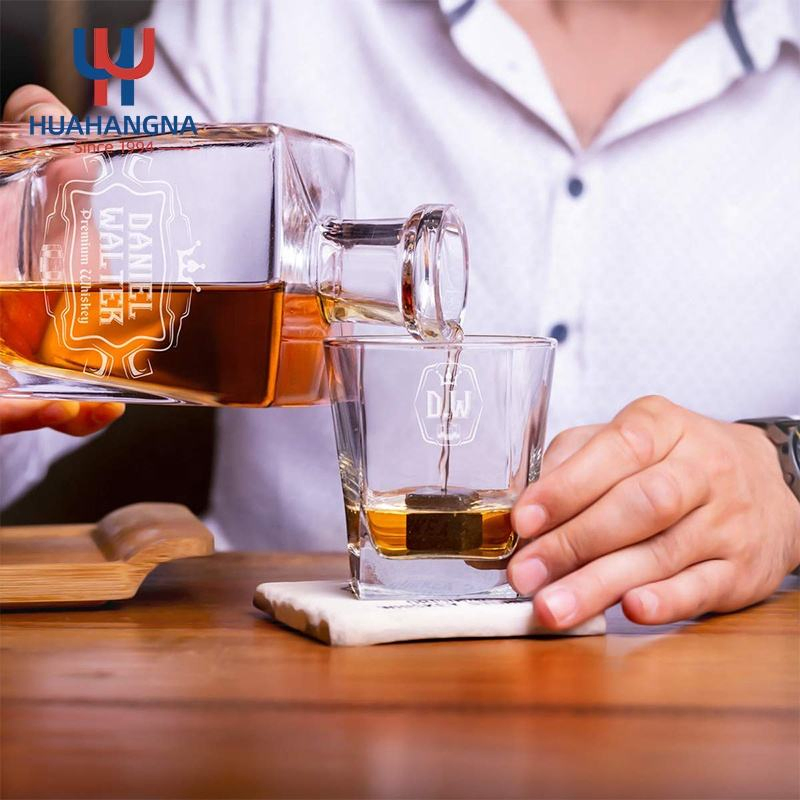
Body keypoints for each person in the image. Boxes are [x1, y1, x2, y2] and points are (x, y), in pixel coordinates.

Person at [2, 0, 798, 630]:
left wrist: (786, 472)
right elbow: (44, 401)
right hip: (258, 698)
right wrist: (25, 326)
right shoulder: (261, 16)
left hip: (689, 705)